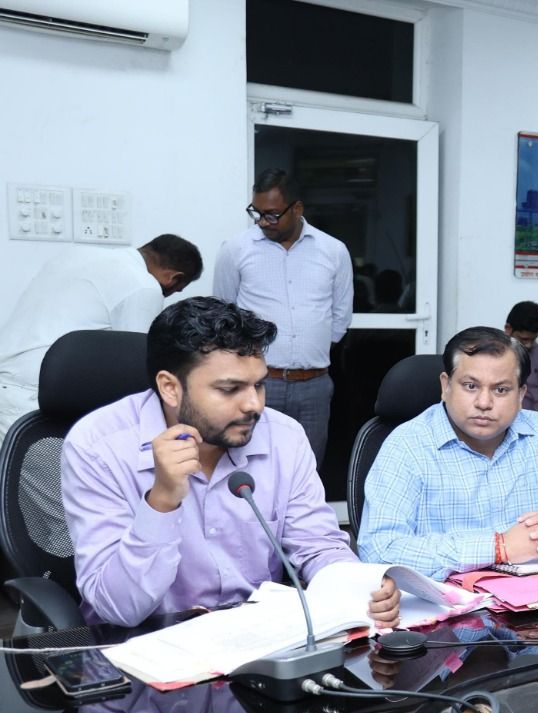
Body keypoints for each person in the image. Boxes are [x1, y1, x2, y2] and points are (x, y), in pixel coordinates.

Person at [61, 297, 398, 627]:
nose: (254, 405)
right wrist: (161, 502)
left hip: (257, 636)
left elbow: (316, 546)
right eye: (229, 389)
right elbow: (119, 609)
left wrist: (358, 586)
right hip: (144, 644)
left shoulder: (283, 436)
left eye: (259, 385)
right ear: (170, 388)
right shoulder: (98, 447)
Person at [358, 326, 538, 579]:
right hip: (449, 604)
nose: (484, 403)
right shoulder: (407, 444)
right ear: (446, 386)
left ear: (521, 395)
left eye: (501, 390)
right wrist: (499, 547)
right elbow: (380, 549)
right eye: (470, 386)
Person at [213, 168, 354, 465]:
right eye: (257, 212)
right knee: (252, 464)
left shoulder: (333, 251)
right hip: (257, 382)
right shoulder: (236, 250)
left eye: (273, 214)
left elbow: (340, 315)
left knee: (308, 467)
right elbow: (224, 313)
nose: (263, 221)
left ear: (297, 208)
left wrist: (306, 347)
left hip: (315, 385)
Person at [0, 234, 203, 439]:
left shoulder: (76, 254)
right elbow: (139, 370)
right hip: (33, 395)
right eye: (177, 290)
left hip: (8, 376)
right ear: (173, 278)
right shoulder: (143, 286)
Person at [505, 300, 538, 413]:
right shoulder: (494, 355)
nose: (529, 345)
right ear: (508, 329)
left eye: (534, 339)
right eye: (524, 339)